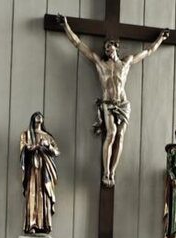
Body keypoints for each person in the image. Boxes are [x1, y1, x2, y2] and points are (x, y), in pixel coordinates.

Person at [57, 15, 169, 187]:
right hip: (108, 103)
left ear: (117, 47)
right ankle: (106, 171)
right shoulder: (100, 63)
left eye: (109, 46)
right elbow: (78, 44)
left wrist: (160, 38)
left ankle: (113, 171)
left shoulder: (126, 63)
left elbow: (148, 51)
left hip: (123, 104)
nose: (107, 49)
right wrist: (66, 27)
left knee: (121, 135)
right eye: (105, 47)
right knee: (111, 133)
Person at [19, 112, 60, 234]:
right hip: (33, 168)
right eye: (36, 116)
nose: (39, 117)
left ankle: (44, 224)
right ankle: (32, 223)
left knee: (44, 194)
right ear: (32, 119)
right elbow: (24, 148)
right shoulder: (27, 135)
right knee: (33, 193)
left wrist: (47, 146)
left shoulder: (48, 136)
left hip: (45, 168)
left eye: (40, 116)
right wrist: (34, 147)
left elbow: (56, 152)